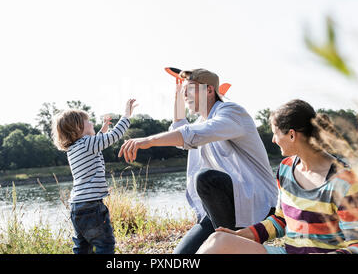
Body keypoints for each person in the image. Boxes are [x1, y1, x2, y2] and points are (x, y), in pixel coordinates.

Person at [118, 68, 278, 254]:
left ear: (209, 90)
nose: (185, 94)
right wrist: (179, 96)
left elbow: (190, 135)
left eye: (190, 89)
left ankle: (233, 245)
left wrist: (148, 141)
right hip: (221, 208)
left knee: (205, 178)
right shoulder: (201, 122)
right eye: (184, 90)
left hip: (256, 204)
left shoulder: (231, 112)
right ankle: (229, 241)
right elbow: (180, 127)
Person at [196, 99, 358, 254]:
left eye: (275, 133)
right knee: (218, 240)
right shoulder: (286, 168)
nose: (273, 139)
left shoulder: (345, 182)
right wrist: (239, 235)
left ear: (292, 135)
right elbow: (280, 220)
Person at [52, 99, 137, 254]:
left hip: (77, 206)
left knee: (82, 247)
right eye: (89, 122)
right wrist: (126, 116)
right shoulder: (87, 144)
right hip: (92, 206)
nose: (92, 124)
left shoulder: (74, 147)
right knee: (105, 245)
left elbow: (95, 144)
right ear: (78, 128)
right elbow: (115, 135)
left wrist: (102, 131)